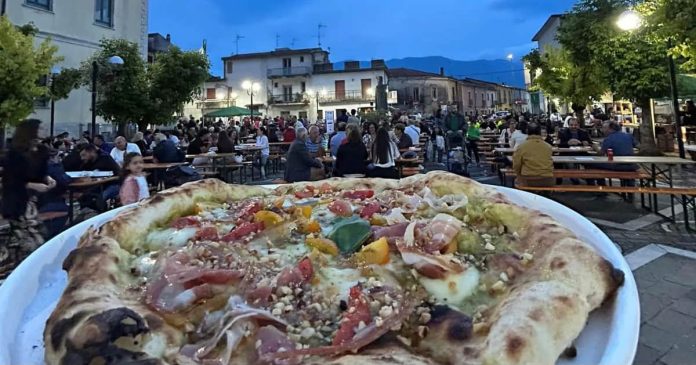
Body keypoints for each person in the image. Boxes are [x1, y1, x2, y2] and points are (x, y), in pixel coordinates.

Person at [1, 120, 55, 262]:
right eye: (41, 127)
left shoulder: (42, 151)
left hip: (33, 200)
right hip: (18, 200)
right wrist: (32, 185)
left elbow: (39, 173)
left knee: (33, 236)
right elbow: (11, 180)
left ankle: (22, 263)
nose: (44, 130)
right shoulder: (14, 153)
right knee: (31, 238)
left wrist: (47, 178)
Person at [590, 121, 639, 187]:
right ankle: (630, 185)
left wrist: (595, 148)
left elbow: (601, 154)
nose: (602, 130)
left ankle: (602, 187)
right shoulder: (628, 135)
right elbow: (639, 146)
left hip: (617, 166)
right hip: (632, 165)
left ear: (611, 129)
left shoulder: (608, 139)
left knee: (593, 164)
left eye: (604, 128)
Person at [512, 122, 554, 187]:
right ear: (540, 132)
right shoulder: (548, 146)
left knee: (516, 182)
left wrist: (519, 175)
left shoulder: (521, 147)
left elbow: (516, 165)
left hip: (528, 180)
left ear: (527, 131)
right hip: (547, 180)